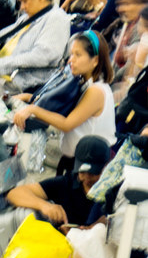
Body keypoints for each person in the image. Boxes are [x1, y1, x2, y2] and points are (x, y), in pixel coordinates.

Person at [7, 31, 116, 166]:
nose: (71, 60)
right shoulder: (83, 82)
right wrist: (28, 97)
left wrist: (32, 109)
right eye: (71, 54)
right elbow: (56, 103)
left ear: (95, 61)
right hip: (76, 160)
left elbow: (67, 124)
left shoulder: (96, 91)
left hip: (90, 165)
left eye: (78, 55)